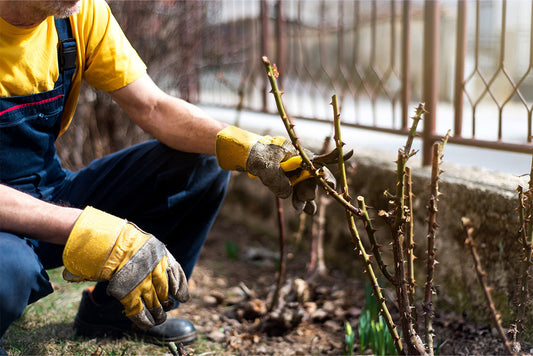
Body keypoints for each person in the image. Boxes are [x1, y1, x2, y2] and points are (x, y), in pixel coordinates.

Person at [0, 0, 329, 353]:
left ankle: (120, 315)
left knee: (202, 161)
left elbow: (153, 106)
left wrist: (248, 149)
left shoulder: (79, 16)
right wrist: (93, 232)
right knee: (9, 271)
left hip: (47, 189)